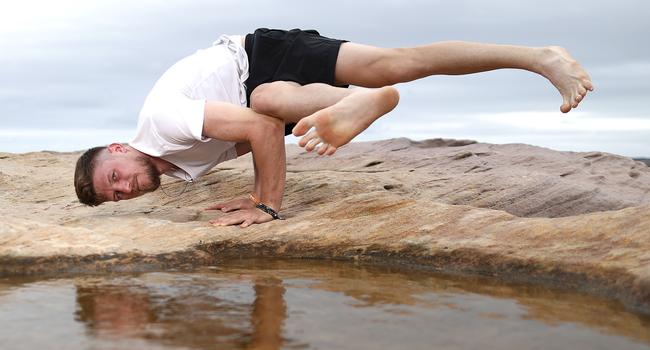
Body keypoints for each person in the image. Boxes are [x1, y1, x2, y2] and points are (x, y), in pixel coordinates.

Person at [74, 28, 594, 227]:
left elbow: (259, 127)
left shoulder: (161, 125)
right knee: (397, 63)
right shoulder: (176, 167)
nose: (126, 188)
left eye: (114, 177)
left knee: (266, 100)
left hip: (262, 57)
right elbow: (259, 135)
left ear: (118, 148)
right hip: (279, 93)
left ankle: (538, 57)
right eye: (118, 196)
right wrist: (254, 187)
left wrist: (265, 204)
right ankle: (365, 100)